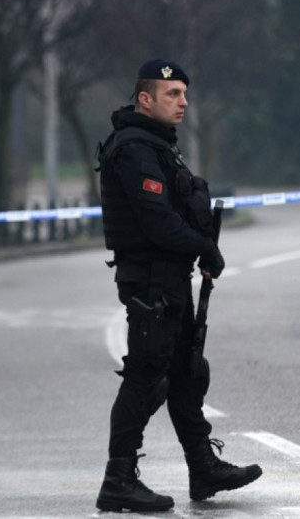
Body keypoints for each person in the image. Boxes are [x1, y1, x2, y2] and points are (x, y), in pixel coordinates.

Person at [93, 59, 262, 513]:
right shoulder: (133, 150)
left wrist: (200, 240)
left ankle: (202, 467)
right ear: (145, 99)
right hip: (150, 282)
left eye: (185, 94)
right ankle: (119, 479)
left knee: (188, 373)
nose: (183, 102)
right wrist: (204, 248)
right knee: (146, 379)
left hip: (170, 279)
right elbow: (157, 223)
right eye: (172, 94)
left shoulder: (160, 147)